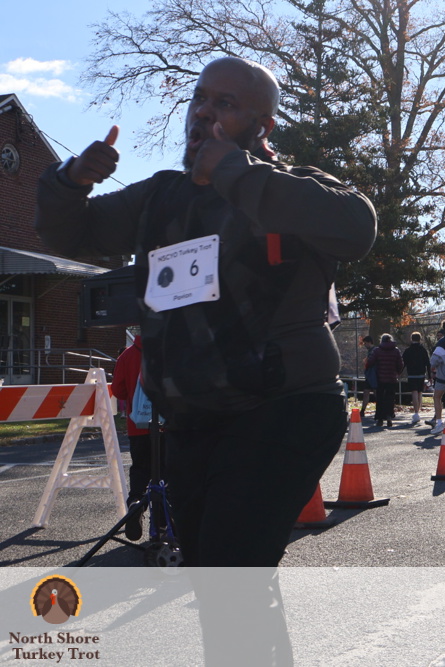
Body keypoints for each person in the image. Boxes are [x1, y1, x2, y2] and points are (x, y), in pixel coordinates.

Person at [35, 56, 377, 569]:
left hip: (282, 409)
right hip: (192, 418)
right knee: (211, 576)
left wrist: (233, 171)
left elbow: (357, 227)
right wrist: (71, 180)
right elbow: (71, 234)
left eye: (225, 103)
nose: (202, 112)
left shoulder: (291, 186)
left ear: (263, 126)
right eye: (199, 98)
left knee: (228, 571)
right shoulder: (159, 197)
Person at [110, 334, 163, 541]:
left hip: (138, 424)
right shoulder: (171, 350)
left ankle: (135, 503)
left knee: (140, 468)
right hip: (167, 426)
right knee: (166, 473)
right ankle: (162, 523)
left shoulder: (127, 355)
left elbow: (118, 390)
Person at [370, 333, 404, 427]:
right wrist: (397, 372)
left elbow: (371, 362)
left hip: (380, 378)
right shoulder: (396, 351)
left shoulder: (377, 350)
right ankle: (389, 416)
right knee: (390, 398)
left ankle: (380, 419)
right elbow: (400, 364)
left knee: (380, 398)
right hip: (392, 378)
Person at [402, 332, 431, 424]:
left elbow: (403, 363)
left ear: (411, 339)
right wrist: (430, 376)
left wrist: (399, 372)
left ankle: (416, 413)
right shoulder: (423, 350)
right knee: (420, 392)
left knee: (414, 392)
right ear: (420, 339)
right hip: (421, 374)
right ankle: (418, 411)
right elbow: (428, 363)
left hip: (411, 374)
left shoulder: (408, 350)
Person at [360, 335, 377, 418]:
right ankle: (362, 410)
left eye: (365, 343)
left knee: (374, 393)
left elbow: (371, 362)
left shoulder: (374, 351)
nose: (364, 345)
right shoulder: (371, 351)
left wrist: (366, 362)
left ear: (369, 342)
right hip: (370, 375)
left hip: (373, 375)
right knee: (366, 393)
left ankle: (378, 409)